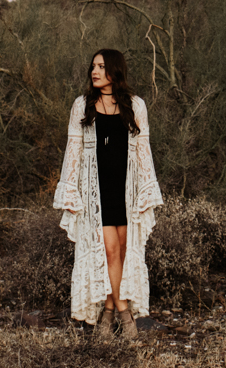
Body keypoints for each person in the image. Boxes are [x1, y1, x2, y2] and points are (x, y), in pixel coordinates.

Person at [53, 48, 163, 338]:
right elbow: (73, 151)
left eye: (101, 66)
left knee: (125, 253)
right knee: (110, 250)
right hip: (97, 193)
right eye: (93, 66)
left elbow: (143, 152)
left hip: (126, 191)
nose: (95, 71)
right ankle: (125, 315)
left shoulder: (135, 105)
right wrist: (71, 191)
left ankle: (108, 312)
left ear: (115, 70)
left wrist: (146, 192)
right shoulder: (82, 105)